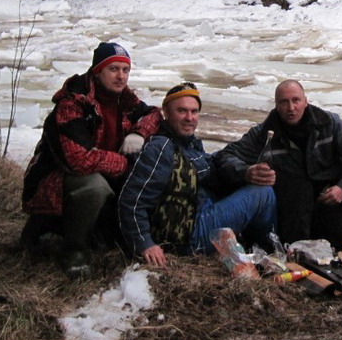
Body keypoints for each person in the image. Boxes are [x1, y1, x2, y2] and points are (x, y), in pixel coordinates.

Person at [20, 41, 163, 279]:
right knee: (95, 188)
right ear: (97, 71)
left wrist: (139, 133)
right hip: (56, 179)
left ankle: (102, 233)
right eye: (113, 69)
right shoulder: (72, 105)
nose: (121, 76)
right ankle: (74, 250)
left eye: (125, 70)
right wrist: (125, 163)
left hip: (102, 171)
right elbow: (79, 160)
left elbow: (154, 114)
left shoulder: (124, 100)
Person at [213, 79, 342, 251]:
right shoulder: (264, 134)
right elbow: (225, 156)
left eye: (296, 100)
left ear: (305, 101)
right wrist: (246, 172)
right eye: (284, 102)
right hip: (294, 205)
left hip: (328, 195)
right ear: (276, 105)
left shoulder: (328, 123)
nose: (291, 108)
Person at [118, 83, 276, 266]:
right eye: (182, 111)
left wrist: (245, 172)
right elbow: (131, 201)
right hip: (188, 235)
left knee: (252, 181)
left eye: (194, 112)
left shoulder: (190, 143)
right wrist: (145, 244)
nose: (189, 118)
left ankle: (253, 247)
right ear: (166, 112)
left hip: (199, 213)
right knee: (263, 194)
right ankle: (271, 252)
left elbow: (214, 167)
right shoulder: (161, 148)